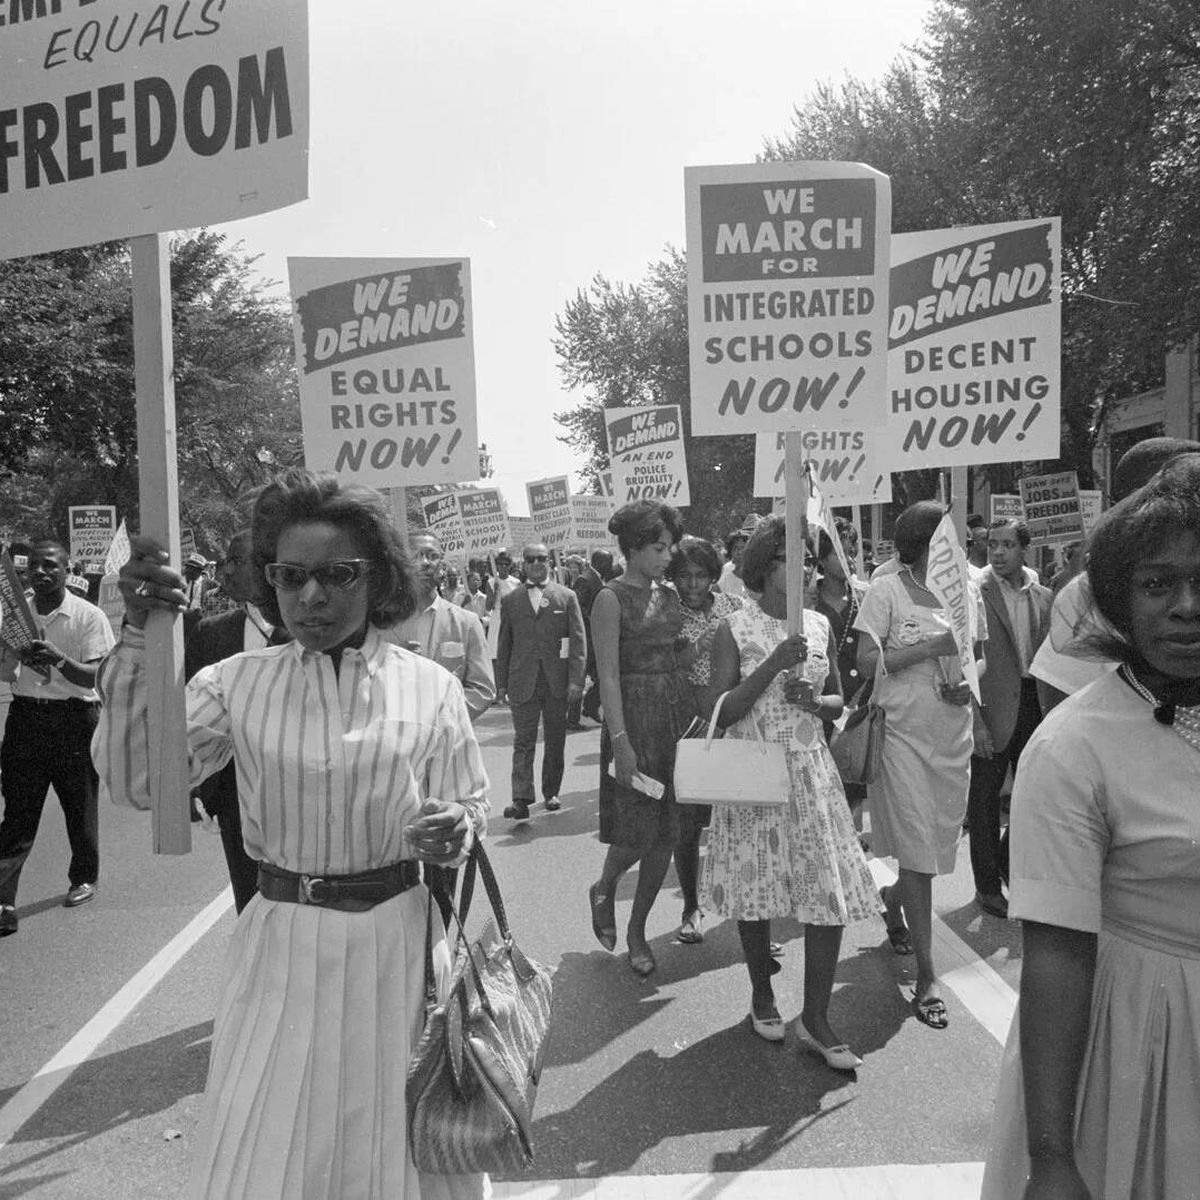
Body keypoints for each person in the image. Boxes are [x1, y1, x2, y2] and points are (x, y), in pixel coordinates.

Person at [92, 470, 490, 1199]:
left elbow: (467, 804)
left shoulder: (430, 686)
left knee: (398, 1152)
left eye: (337, 575)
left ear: (378, 578)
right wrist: (134, 638)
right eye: (290, 575)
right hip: (280, 944)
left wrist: (453, 828)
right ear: (268, 579)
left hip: (398, 948)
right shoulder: (234, 682)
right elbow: (139, 781)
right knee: (268, 1147)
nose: (312, 597)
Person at [982, 453, 1200, 1200]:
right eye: (1157, 583)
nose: (1186, 606)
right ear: (1118, 596)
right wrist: (1051, 1158)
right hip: (1144, 1047)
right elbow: (1056, 956)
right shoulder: (1075, 746)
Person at [703, 516, 878, 1062]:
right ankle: (761, 993)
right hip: (754, 771)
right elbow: (720, 711)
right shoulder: (736, 626)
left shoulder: (819, 625)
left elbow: (839, 704)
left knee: (826, 894)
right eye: (788, 556)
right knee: (757, 892)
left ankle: (818, 1018)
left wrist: (814, 701)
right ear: (762, 566)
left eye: (807, 555)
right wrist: (772, 667)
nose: (802, 565)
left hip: (811, 771)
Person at [855, 501, 986, 1030]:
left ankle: (893, 901)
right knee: (918, 852)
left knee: (929, 847)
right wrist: (928, 646)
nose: (957, 547)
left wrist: (966, 681)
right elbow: (866, 662)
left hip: (951, 740)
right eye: (946, 538)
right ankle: (929, 975)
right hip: (901, 739)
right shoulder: (886, 590)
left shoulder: (966, 594)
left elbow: (981, 655)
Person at [587, 500, 695, 977]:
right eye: (657, 547)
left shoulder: (670, 597)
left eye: (669, 547)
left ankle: (637, 930)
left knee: (668, 833)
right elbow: (607, 676)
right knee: (636, 831)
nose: (667, 556)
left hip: (673, 721)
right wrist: (622, 741)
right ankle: (605, 884)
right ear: (632, 549)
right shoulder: (609, 598)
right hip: (633, 722)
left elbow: (680, 655)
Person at [0, 539, 115, 936]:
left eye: (50, 565)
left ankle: (84, 877)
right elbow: (3, 673)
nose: (41, 572)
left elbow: (98, 676)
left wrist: (58, 661)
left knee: (78, 807)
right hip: (26, 720)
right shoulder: (16, 617)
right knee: (17, 814)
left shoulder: (88, 616)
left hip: (74, 721)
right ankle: (3, 901)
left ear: (67, 569)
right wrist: (10, 654)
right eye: (34, 566)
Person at [184, 530, 290, 915]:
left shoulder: (311, 630)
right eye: (223, 562)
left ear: (268, 566)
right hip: (234, 798)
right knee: (251, 907)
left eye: (236, 560)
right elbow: (191, 722)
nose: (225, 571)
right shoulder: (211, 633)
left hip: (299, 793)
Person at [967, 518, 1052, 920]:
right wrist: (976, 720)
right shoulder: (974, 593)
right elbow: (965, 660)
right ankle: (987, 888)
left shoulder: (1043, 596)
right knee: (984, 803)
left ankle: (1006, 863)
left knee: (1032, 798)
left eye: (1006, 545)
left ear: (1024, 550)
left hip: (1035, 703)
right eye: (992, 545)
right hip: (992, 707)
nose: (997, 552)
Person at [665, 535, 742, 944]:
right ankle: (691, 906)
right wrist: (700, 645)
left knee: (735, 818)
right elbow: (664, 664)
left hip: (732, 718)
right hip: (689, 722)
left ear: (714, 576)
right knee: (688, 822)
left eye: (700, 576)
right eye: (684, 577)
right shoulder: (666, 611)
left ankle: (744, 912)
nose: (692, 585)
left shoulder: (733, 607)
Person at [494, 542, 586, 820]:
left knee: (556, 739)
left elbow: (579, 642)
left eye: (541, 558)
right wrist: (501, 683)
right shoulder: (511, 600)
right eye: (531, 559)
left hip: (556, 681)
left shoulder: (566, 596)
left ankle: (551, 792)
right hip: (523, 680)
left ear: (549, 562)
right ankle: (521, 798)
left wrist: (576, 680)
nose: (536, 563)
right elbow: (504, 644)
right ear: (522, 564)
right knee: (524, 740)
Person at [389, 532, 494, 722]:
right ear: (400, 561)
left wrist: (440, 718)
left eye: (432, 555)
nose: (425, 562)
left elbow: (482, 691)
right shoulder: (379, 623)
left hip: (449, 741)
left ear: (441, 565)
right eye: (415, 554)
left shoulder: (467, 623)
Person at [812, 526, 870, 812]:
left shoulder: (866, 597)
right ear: (821, 559)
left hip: (860, 706)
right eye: (838, 552)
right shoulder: (807, 601)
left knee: (855, 783)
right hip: (823, 705)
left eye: (851, 551)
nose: (847, 559)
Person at [569, 548, 610, 726]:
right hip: (586, 639)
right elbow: (576, 609)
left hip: (594, 638)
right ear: (600, 562)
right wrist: (593, 618)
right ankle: (572, 719)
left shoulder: (595, 578)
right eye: (608, 562)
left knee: (602, 676)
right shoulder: (585, 579)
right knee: (580, 677)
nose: (611, 566)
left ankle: (591, 706)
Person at [485, 550, 520, 695]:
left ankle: (511, 688)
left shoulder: (516, 582)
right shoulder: (491, 582)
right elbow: (488, 606)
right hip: (496, 619)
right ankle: (498, 689)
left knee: (511, 652)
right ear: (496, 566)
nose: (503, 567)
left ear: (510, 566)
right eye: (500, 564)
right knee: (495, 654)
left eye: (506, 564)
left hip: (511, 619)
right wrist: (495, 592)